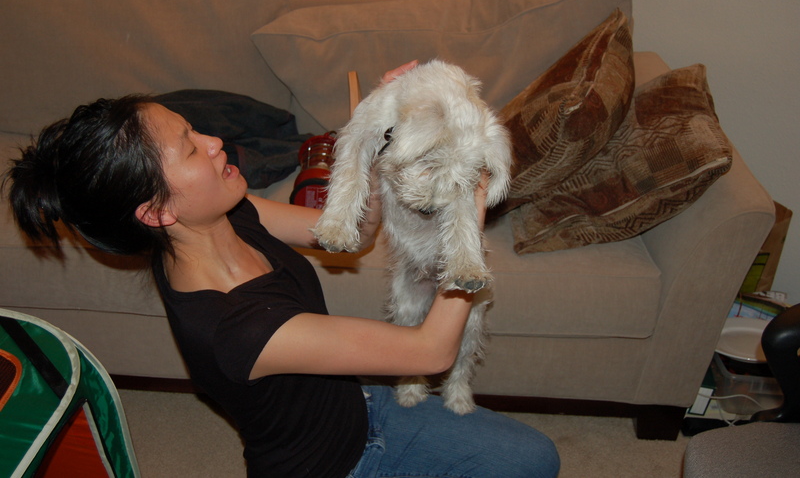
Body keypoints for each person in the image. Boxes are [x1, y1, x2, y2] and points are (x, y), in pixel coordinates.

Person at [5, 63, 560, 478]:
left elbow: (356, 235)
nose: (214, 141)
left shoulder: (229, 215)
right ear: (156, 212)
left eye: (193, 129)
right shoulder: (239, 329)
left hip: (355, 407)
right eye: (191, 149)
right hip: (332, 466)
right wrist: (467, 215)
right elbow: (430, 352)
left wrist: (379, 137)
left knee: (535, 458)